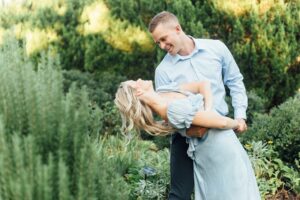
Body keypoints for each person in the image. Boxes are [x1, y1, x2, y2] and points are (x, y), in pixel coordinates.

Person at [148, 11, 249, 199]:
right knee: (179, 195)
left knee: (230, 188)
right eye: (158, 43)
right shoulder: (163, 71)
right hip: (185, 136)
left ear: (177, 29)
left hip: (220, 132)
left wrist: (240, 116)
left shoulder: (216, 49)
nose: (162, 46)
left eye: (163, 39)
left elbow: (235, 81)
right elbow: (167, 113)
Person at [114, 79, 260, 200]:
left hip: (226, 146)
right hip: (218, 153)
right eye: (135, 81)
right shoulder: (171, 111)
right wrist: (237, 123)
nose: (139, 79)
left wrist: (208, 111)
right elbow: (221, 123)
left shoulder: (165, 94)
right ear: (138, 92)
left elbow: (203, 84)